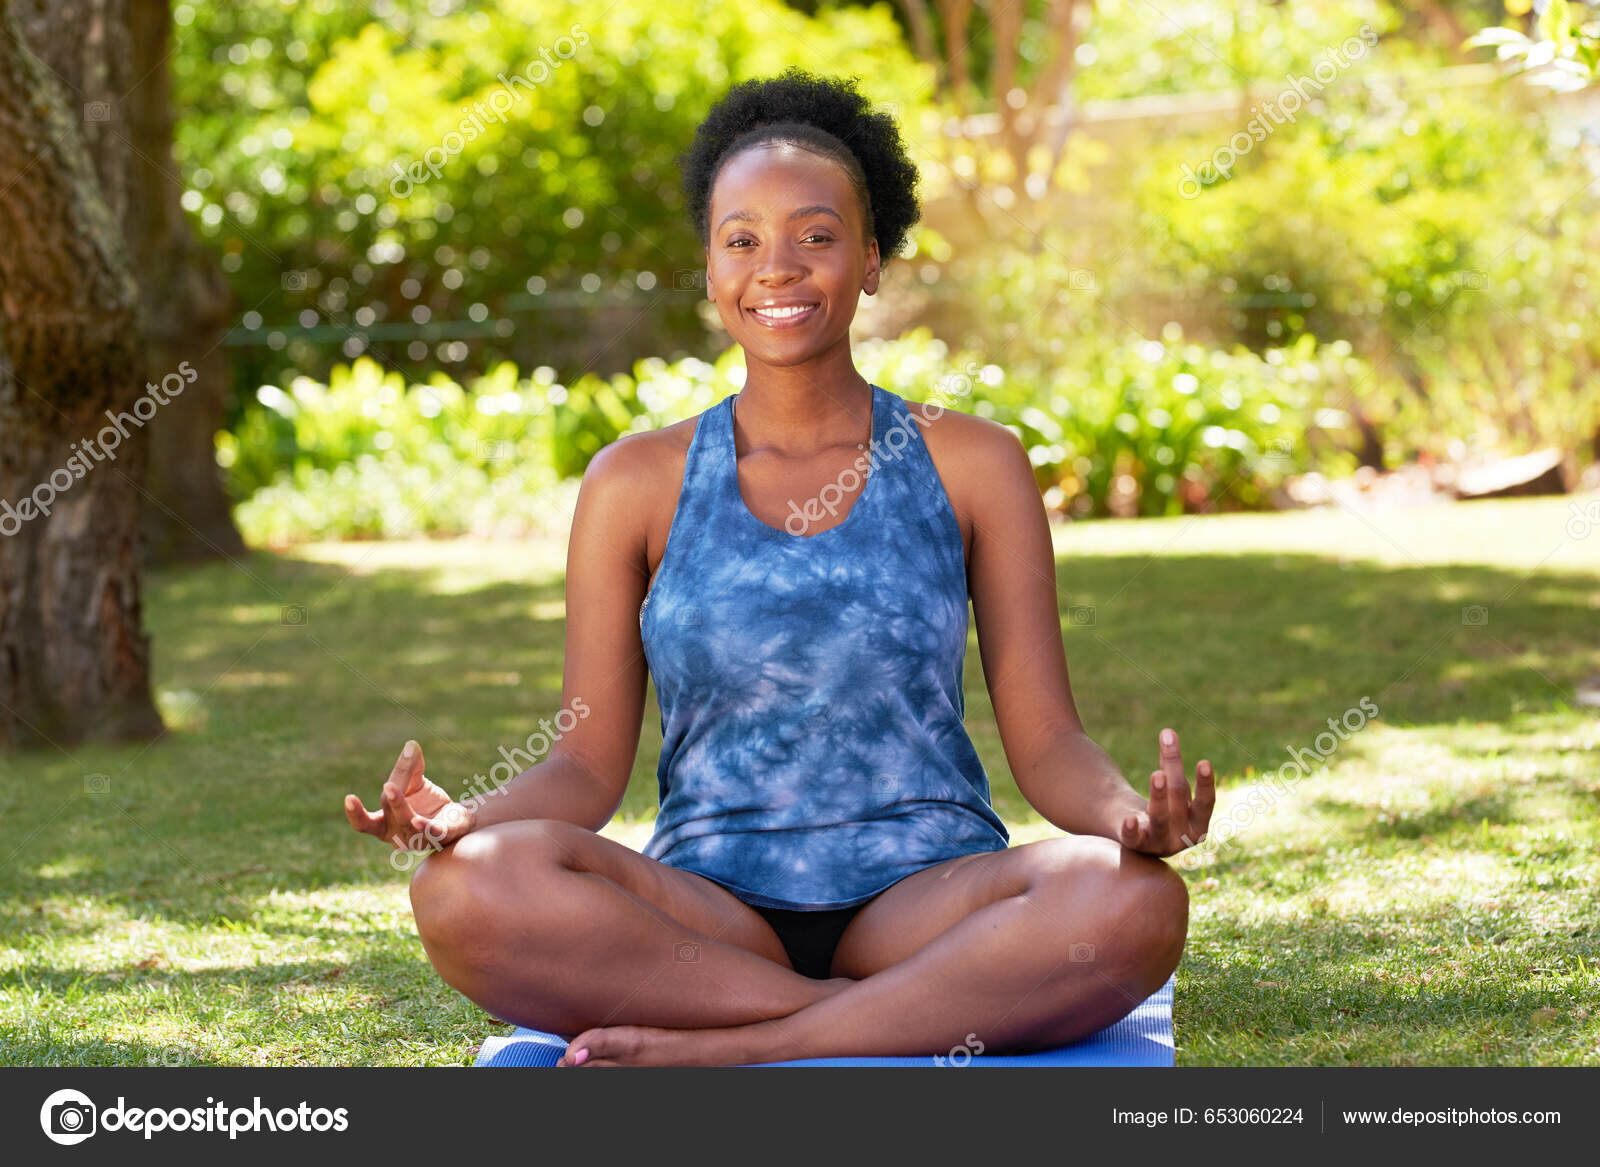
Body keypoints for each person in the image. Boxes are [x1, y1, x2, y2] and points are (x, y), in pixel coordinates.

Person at [343, 68, 1217, 1067]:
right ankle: (876, 1018)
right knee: (461, 888)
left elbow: (1050, 738)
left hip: (923, 898)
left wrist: (1128, 821)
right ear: (711, 270)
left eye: (816, 235)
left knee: (1130, 903)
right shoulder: (634, 480)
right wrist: (461, 818)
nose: (778, 268)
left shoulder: (974, 463)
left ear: (872, 259)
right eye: (742, 239)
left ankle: (739, 1045)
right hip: (709, 915)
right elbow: (584, 768)